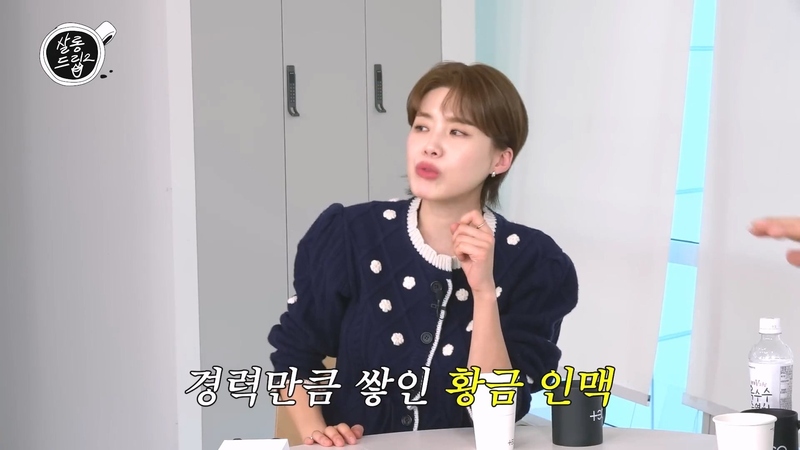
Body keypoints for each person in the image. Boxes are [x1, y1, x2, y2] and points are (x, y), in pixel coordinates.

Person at [267, 61, 580, 447]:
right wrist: (318, 434)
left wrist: (484, 293)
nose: (431, 145)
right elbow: (295, 354)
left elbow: (499, 410)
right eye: (421, 126)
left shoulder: (534, 263)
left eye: (457, 131)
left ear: (500, 160)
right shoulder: (352, 234)